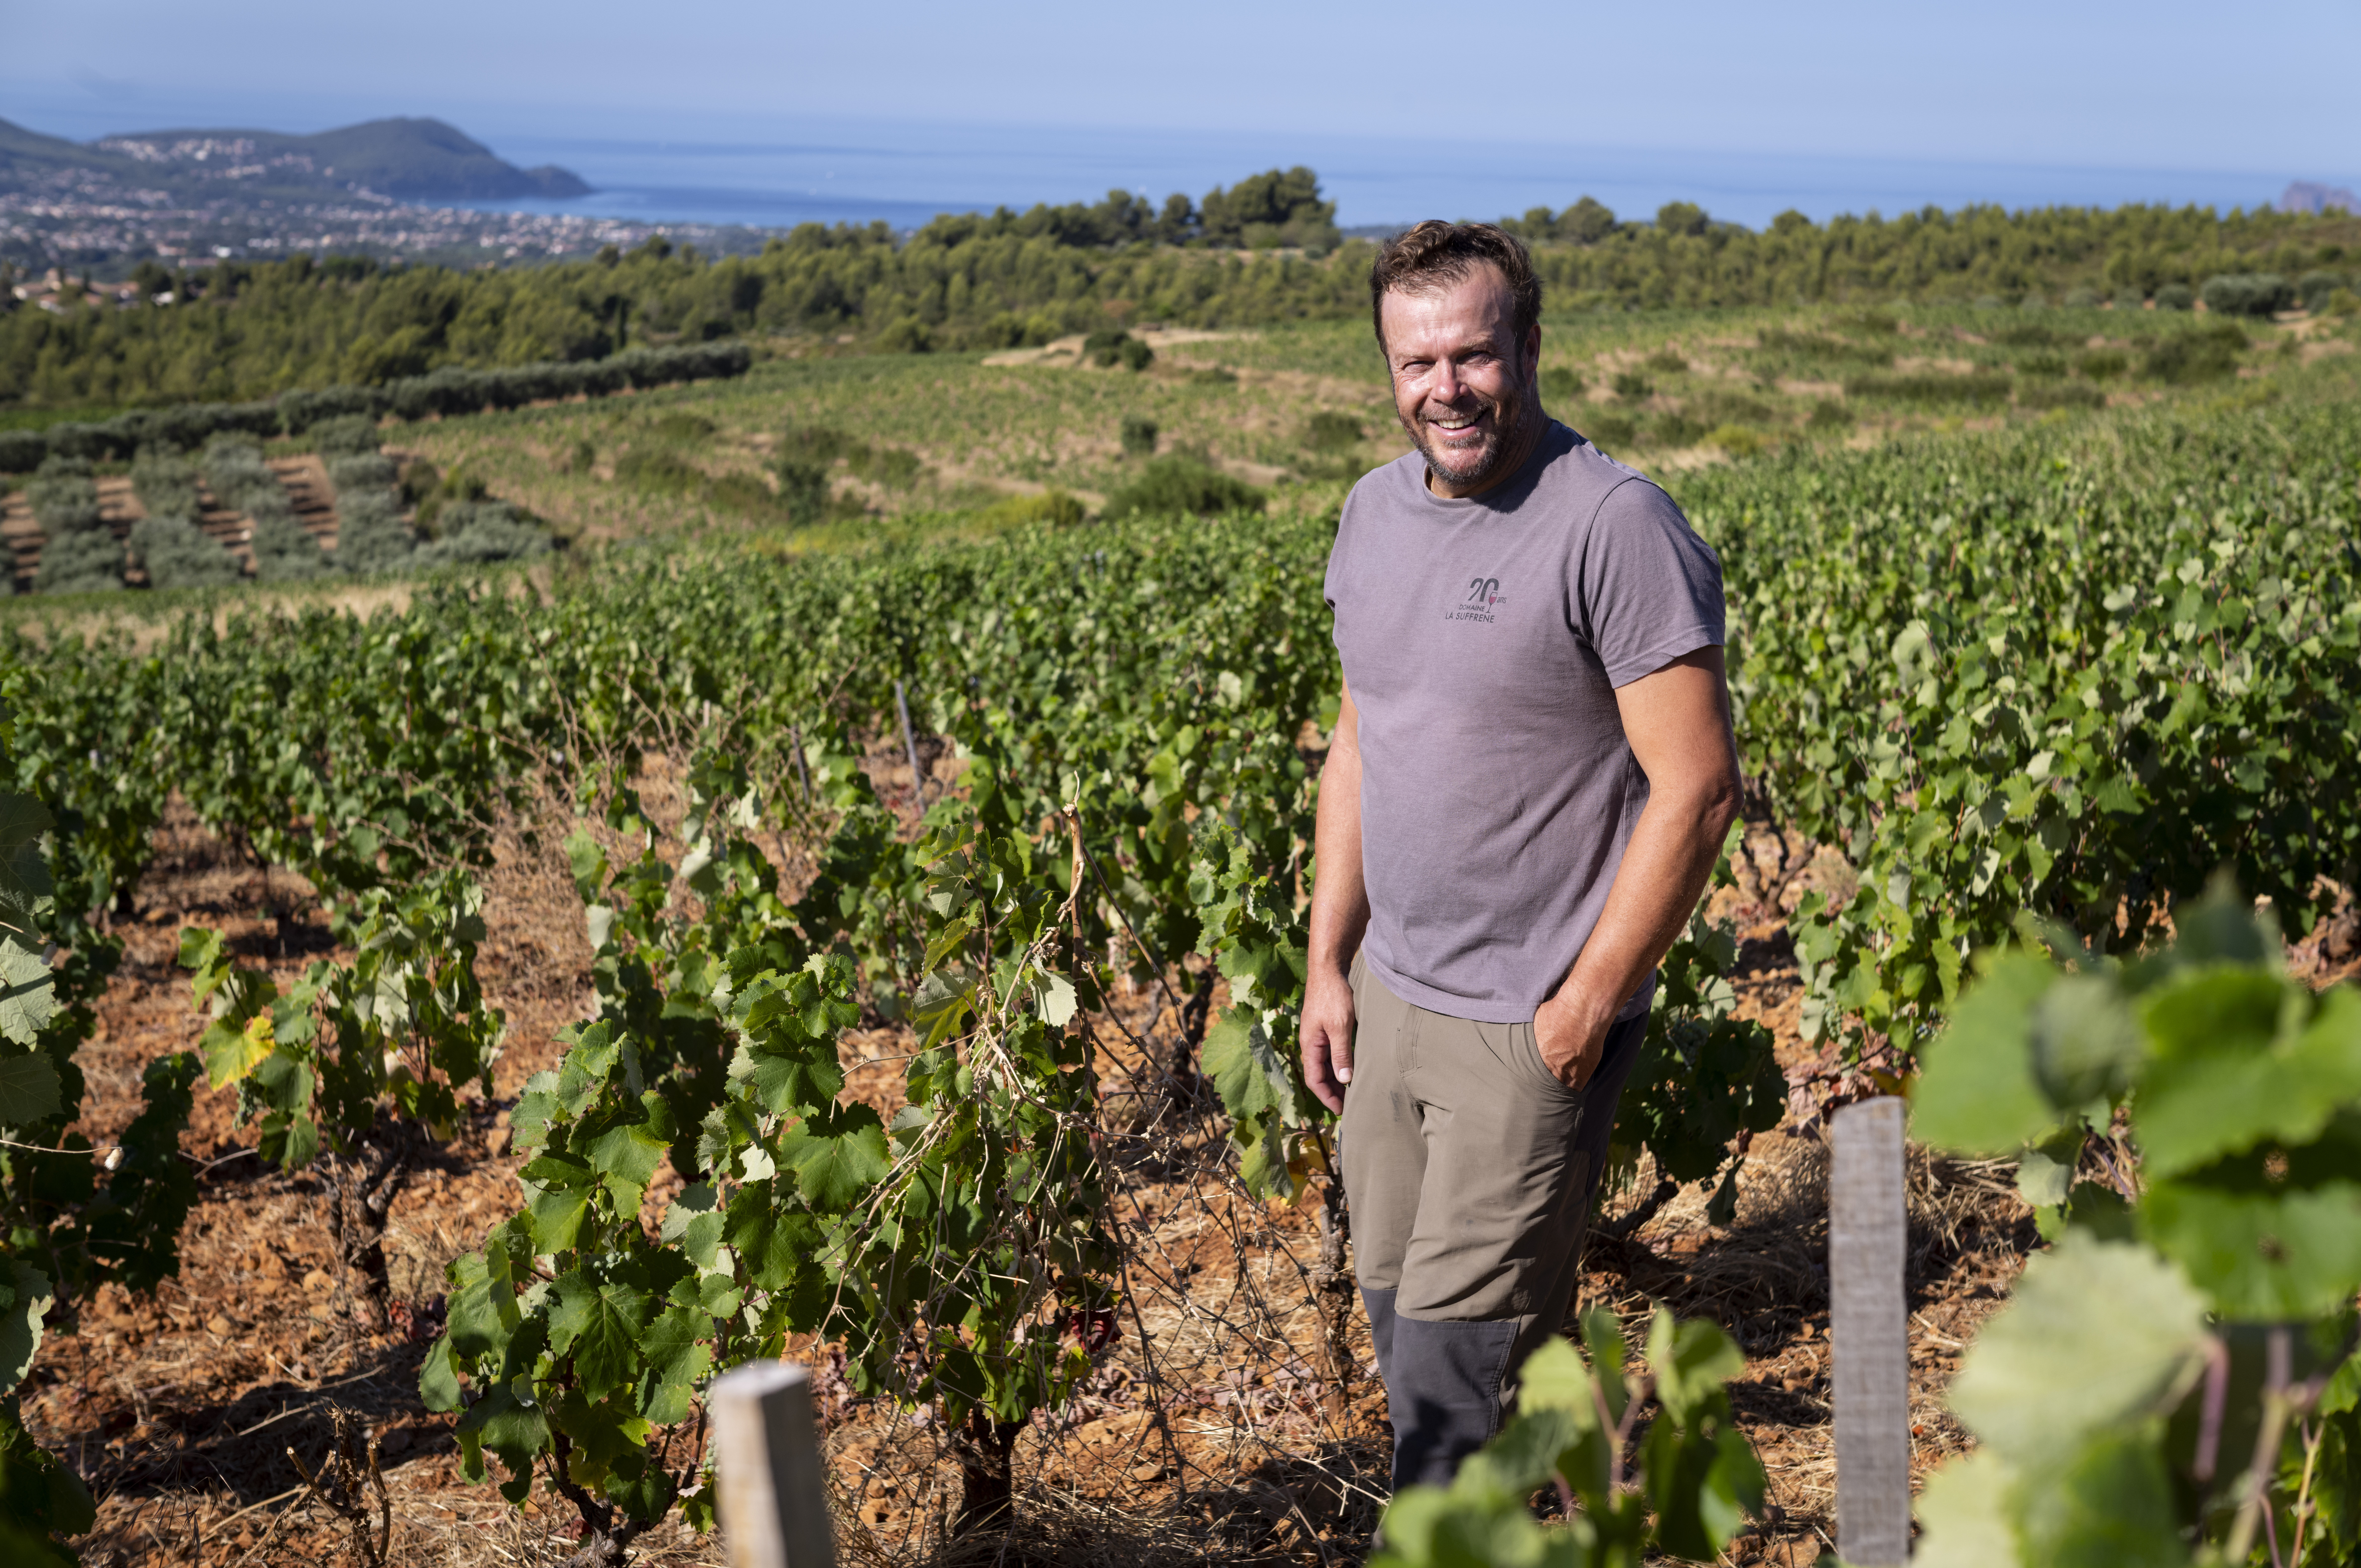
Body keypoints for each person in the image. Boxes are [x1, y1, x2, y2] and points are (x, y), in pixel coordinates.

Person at [1301, 220, 1742, 1492]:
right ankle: (1577, 1497)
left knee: (1450, 1402)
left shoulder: (1614, 525)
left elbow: (1698, 790)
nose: (1446, 388)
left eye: (1474, 356)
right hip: (1391, 998)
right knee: (1409, 1331)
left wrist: (1582, 1013)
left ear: (1530, 349)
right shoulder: (1371, 515)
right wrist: (1330, 966)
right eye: (1415, 363)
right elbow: (1357, 745)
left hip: (1526, 1022)